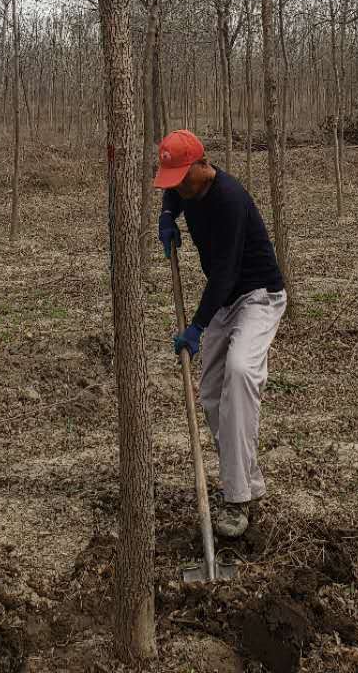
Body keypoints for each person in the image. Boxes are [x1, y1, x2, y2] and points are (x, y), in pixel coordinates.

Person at [154, 128, 287, 539]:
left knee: (241, 373)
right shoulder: (186, 188)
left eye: (181, 176)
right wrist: (165, 215)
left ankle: (238, 499)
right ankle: (248, 480)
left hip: (258, 297)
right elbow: (173, 195)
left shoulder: (229, 198)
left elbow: (226, 273)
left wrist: (196, 326)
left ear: (201, 164)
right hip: (226, 301)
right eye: (170, 178)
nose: (176, 185)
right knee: (211, 394)